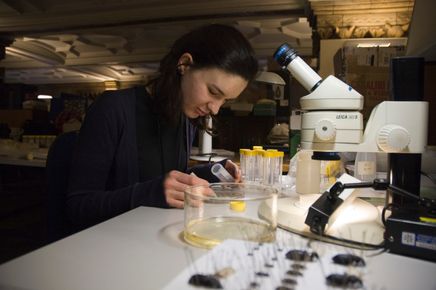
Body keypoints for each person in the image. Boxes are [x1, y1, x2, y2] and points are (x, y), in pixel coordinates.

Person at [66, 24, 259, 229]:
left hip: (156, 236)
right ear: (184, 64)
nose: (216, 109)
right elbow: (77, 207)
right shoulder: (112, 108)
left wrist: (213, 173)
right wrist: (150, 193)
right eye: (213, 92)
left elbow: (169, 176)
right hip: (112, 244)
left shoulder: (184, 116)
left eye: (225, 100)